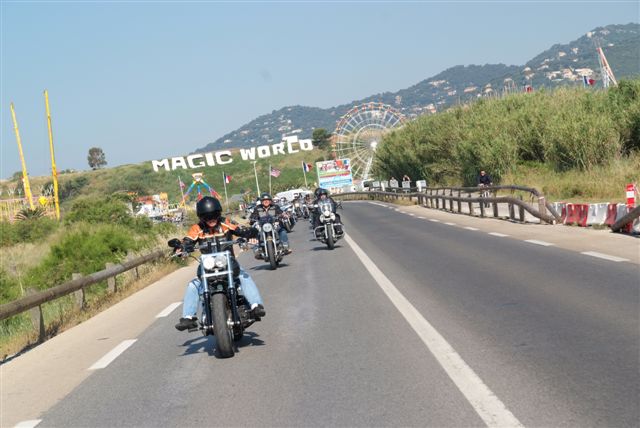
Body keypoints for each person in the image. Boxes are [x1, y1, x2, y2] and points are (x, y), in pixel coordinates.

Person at [175, 196, 265, 331]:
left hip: (229, 263)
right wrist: (181, 248)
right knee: (193, 285)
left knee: (244, 276)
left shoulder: (226, 223)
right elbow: (188, 240)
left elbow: (240, 229)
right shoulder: (197, 228)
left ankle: (256, 306)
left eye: (214, 215)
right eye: (207, 216)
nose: (211, 219)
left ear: (218, 214)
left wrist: (250, 233)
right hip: (207, 267)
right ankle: (188, 317)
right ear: (201, 217)